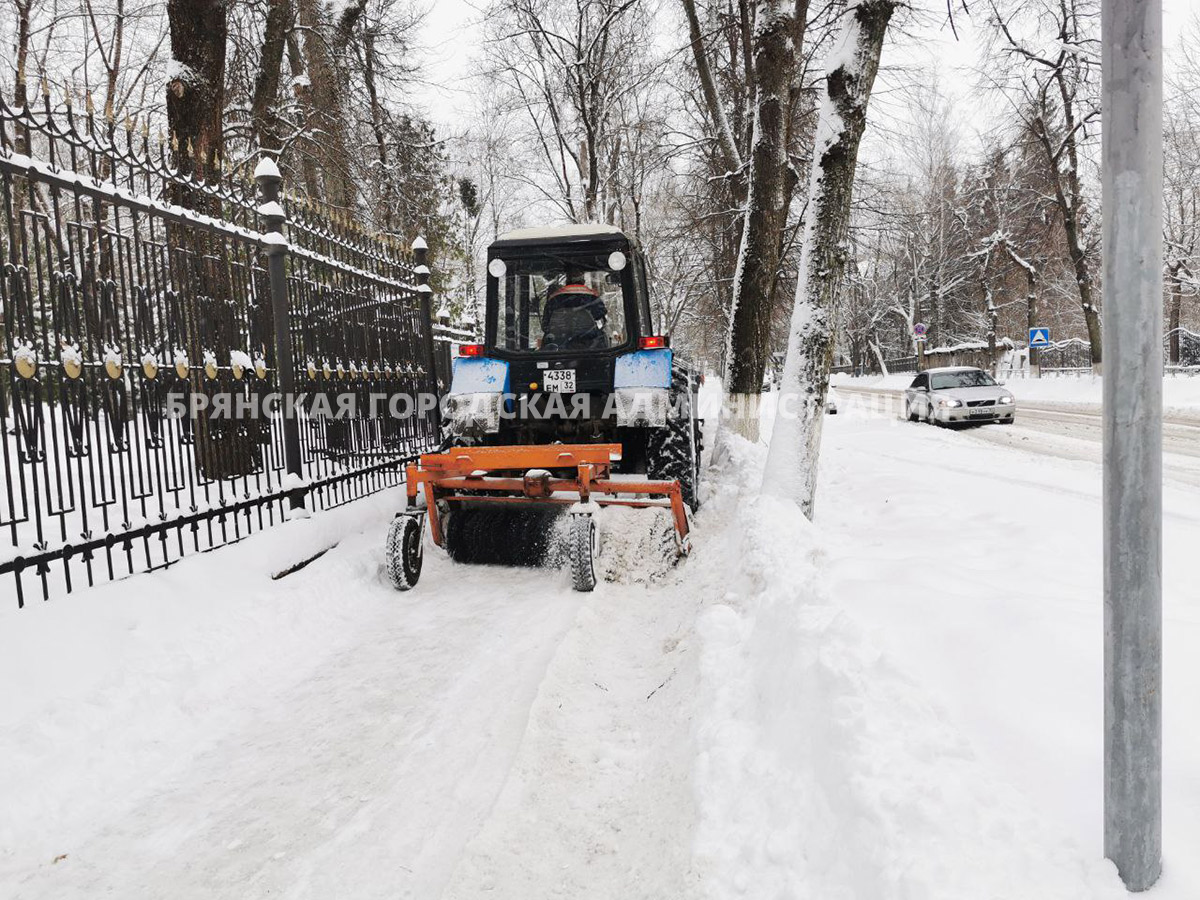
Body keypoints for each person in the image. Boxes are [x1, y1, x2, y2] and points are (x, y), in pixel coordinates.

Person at [540, 270, 608, 350]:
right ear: (583, 281)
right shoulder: (593, 298)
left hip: (558, 347)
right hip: (589, 347)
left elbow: (545, 325)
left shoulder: (554, 298)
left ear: (567, 280)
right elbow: (602, 319)